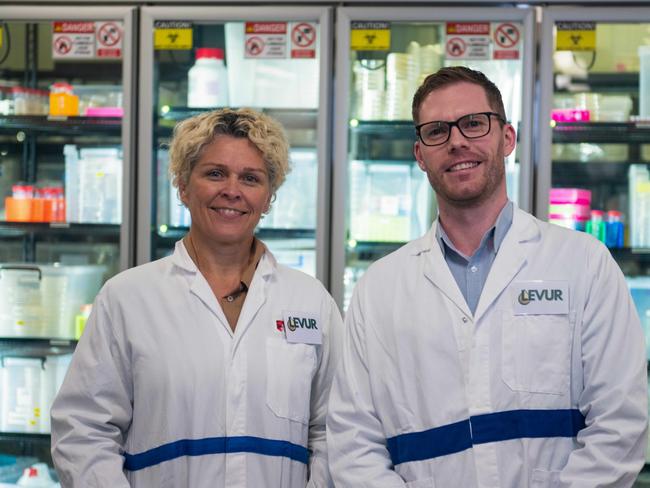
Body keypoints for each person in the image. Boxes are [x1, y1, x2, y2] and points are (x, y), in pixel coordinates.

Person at [327, 66, 648, 487]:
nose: (457, 140)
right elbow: (353, 444)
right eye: (437, 130)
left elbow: (620, 421)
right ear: (420, 155)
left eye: (474, 124)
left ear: (507, 138)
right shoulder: (379, 288)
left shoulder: (583, 263)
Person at [51, 108, 342, 487]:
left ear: (268, 196)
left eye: (250, 178)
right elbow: (83, 430)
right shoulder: (128, 298)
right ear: (183, 185)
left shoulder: (309, 301)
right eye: (215, 173)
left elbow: (334, 431)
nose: (232, 190)